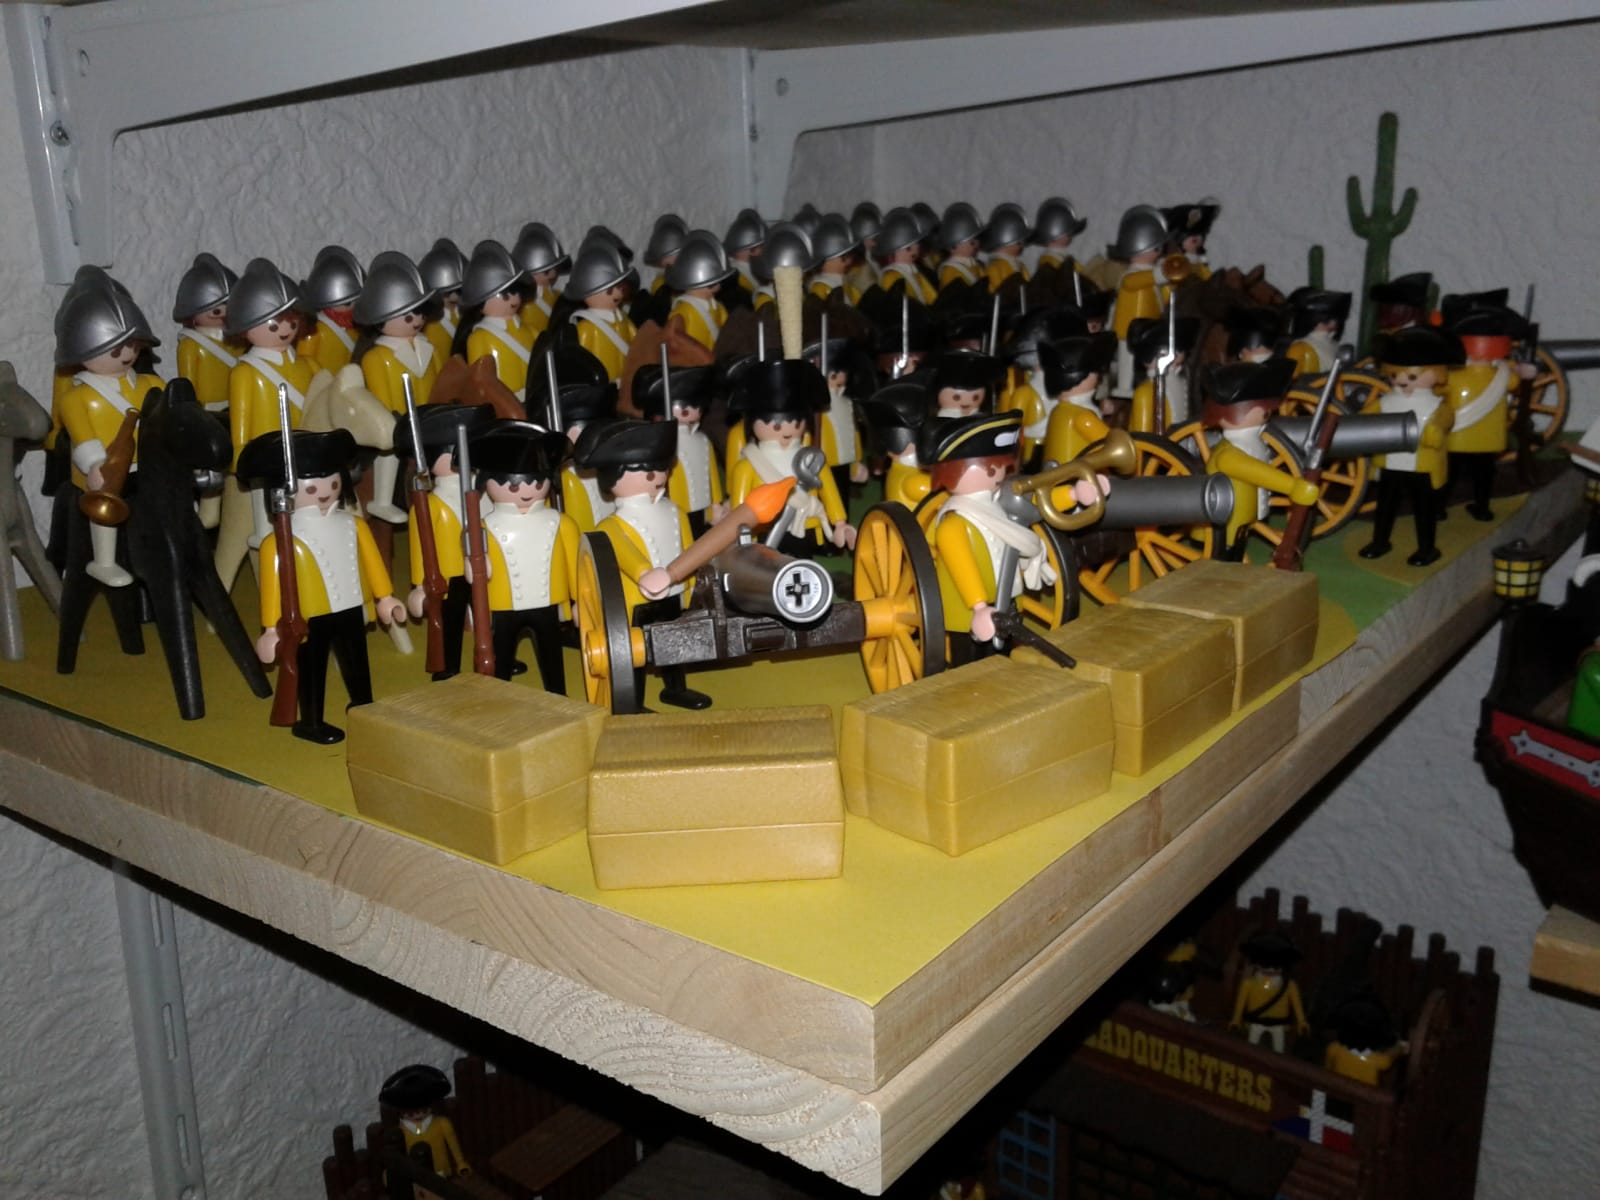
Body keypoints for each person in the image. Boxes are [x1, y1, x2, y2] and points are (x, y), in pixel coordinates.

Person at [241, 428, 404, 744]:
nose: (325, 492)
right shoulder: (278, 541)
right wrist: (271, 629)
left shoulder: (353, 524)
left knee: (357, 662)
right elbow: (272, 587)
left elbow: (373, 563)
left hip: (352, 608)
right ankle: (311, 721)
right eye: (313, 487)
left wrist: (385, 597)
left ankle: (363, 705)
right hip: (308, 618)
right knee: (311, 670)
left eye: (332, 483)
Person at [576, 419, 710, 709]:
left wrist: (691, 585)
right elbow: (624, 552)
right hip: (636, 601)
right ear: (612, 478)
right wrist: (643, 573)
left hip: (672, 594)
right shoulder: (613, 524)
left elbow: (689, 548)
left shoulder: (675, 511)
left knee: (675, 644)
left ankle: (675, 688)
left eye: (659, 466)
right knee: (633, 653)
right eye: (642, 469)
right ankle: (633, 700)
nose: (655, 475)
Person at [472, 421, 577, 692]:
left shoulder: (561, 523)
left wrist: (579, 601)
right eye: (513, 487)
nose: (527, 492)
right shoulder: (482, 527)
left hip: (547, 602)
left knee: (552, 655)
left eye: (537, 483)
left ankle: (558, 695)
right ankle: (500, 697)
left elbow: (577, 566)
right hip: (504, 604)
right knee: (501, 655)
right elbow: (474, 571)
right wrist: (475, 567)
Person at [395, 403, 496, 681]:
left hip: (485, 565)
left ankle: (497, 656)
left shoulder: (483, 490)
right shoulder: (430, 505)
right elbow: (419, 545)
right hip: (450, 574)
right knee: (451, 622)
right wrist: (419, 585)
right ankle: (448, 666)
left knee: (492, 615)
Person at [1359, 326, 1463, 566]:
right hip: (1390, 462)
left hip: (1421, 466)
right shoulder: (1386, 401)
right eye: (1395, 375)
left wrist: (1435, 432)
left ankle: (1427, 548)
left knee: (1424, 509)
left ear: (1437, 374)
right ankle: (1380, 541)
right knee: (1385, 506)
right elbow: (1365, 419)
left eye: (1412, 377)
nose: (1402, 381)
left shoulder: (1437, 405)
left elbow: (1445, 419)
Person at [378, 1064, 471, 1178]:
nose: (418, 1116)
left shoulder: (442, 1124)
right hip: (416, 1179)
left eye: (423, 1110)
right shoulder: (401, 1133)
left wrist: (461, 1164)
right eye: (411, 1114)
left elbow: (454, 1146)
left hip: (442, 1174)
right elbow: (398, 1159)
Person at [1228, 930, 1309, 1053]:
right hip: (1256, 1021)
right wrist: (1236, 1020)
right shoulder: (1249, 984)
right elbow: (1240, 1003)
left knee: (1278, 1051)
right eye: (1266, 964)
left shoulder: (1289, 986)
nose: (1270, 969)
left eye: (1275, 965)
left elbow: (1296, 1005)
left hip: (1278, 1024)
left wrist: (1302, 1022)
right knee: (1251, 1050)